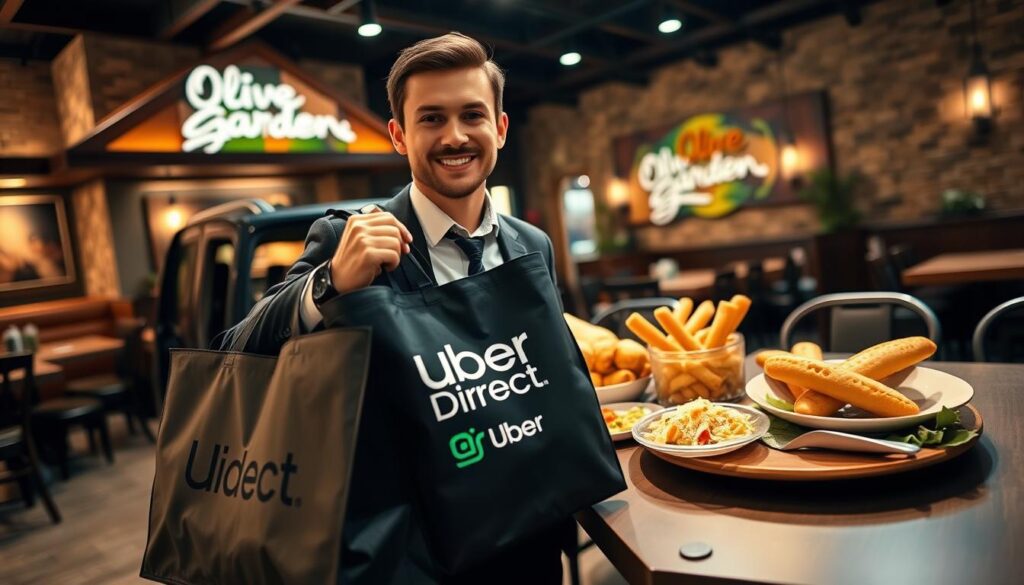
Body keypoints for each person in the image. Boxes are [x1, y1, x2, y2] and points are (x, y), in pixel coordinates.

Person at [218, 32, 564, 585]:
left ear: (498, 128)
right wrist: (330, 283)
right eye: (431, 119)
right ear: (399, 136)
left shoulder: (533, 245)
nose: (454, 136)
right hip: (414, 552)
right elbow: (235, 352)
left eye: (472, 115)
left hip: (529, 534)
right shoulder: (346, 236)